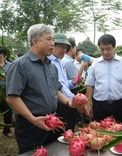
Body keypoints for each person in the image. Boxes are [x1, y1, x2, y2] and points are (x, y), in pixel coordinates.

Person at [5, 24, 79, 154]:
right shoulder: (20, 65)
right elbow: (12, 97)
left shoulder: (51, 66)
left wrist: (68, 102)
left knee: (53, 151)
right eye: (48, 39)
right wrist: (33, 119)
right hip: (31, 125)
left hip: (52, 121)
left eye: (53, 40)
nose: (52, 43)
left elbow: (56, 90)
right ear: (35, 42)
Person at [84, 34, 122, 124]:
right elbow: (90, 85)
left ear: (114, 47)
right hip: (99, 106)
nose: (105, 52)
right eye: (102, 49)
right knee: (99, 134)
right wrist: (88, 103)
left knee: (118, 133)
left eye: (108, 49)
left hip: (118, 105)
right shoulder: (95, 64)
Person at [48, 33, 87, 130]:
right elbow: (58, 86)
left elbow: (64, 83)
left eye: (66, 47)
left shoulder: (59, 62)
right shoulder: (49, 62)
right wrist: (72, 99)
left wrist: (72, 82)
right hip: (57, 103)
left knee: (64, 129)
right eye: (61, 47)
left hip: (65, 101)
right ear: (53, 45)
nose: (64, 50)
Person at [0, 46, 12, 138]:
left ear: (2, 54)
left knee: (8, 111)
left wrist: (5, 77)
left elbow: (12, 77)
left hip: (6, 90)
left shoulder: (10, 65)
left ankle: (7, 130)